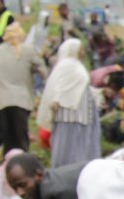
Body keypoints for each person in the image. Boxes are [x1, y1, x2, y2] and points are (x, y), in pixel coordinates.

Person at [40, 39, 99, 168]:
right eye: (80, 49)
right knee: (69, 143)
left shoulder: (77, 65)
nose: (83, 52)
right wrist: (56, 99)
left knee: (81, 142)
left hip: (81, 112)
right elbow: (58, 84)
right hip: (69, 113)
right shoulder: (66, 65)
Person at [0, 23, 46, 155]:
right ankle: (22, 166)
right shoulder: (28, 50)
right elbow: (43, 70)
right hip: (20, 100)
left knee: (7, 139)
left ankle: (7, 166)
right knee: (21, 140)